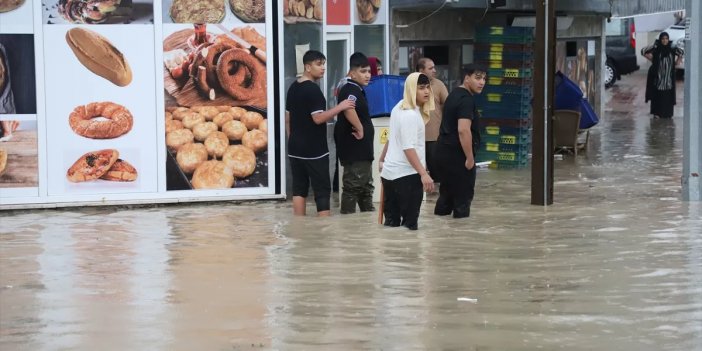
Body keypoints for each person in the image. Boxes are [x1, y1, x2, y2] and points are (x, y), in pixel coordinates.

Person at [285, 50, 356, 217]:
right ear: (308, 67)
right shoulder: (313, 90)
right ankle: (323, 232)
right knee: (322, 190)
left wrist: (292, 140)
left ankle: (300, 226)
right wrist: (341, 106)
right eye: (319, 64)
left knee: (299, 189)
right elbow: (317, 118)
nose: (323, 68)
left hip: (295, 149)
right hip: (315, 151)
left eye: (323, 64)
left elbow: (287, 118)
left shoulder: (293, 88)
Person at [379, 73, 435, 230]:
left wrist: (382, 160)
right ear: (411, 89)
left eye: (427, 88)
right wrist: (423, 173)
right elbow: (408, 148)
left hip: (389, 175)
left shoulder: (399, 106)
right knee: (409, 228)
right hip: (406, 177)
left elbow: (392, 137)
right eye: (421, 88)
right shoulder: (410, 115)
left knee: (392, 225)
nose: (426, 92)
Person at [433, 64, 486, 218]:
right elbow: (463, 130)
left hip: (442, 152)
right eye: (477, 78)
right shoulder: (466, 100)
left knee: (446, 196)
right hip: (458, 155)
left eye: (484, 79)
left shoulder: (453, 94)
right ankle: (461, 236)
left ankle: (440, 235)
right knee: (462, 200)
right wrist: (469, 158)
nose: (481, 82)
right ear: (467, 78)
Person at [334, 52, 374, 214]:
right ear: (352, 73)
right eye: (363, 71)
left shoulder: (357, 88)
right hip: (354, 148)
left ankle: (366, 220)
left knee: (365, 186)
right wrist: (360, 127)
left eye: (369, 71)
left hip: (362, 149)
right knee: (353, 186)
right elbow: (349, 107)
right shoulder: (350, 89)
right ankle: (347, 222)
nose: (367, 75)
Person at [416, 58, 448, 180]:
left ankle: (435, 197)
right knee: (418, 172)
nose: (434, 70)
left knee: (437, 173)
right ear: (421, 70)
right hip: (416, 137)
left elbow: (448, 106)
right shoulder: (410, 85)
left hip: (434, 137)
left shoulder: (439, 84)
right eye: (430, 68)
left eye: (434, 67)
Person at [641, 32, 684, 119]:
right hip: (658, 79)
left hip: (668, 80)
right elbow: (643, 51)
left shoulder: (672, 49)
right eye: (663, 39)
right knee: (657, 97)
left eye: (666, 39)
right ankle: (657, 114)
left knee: (667, 98)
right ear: (660, 40)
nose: (665, 41)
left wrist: (677, 61)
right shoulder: (656, 50)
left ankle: (667, 115)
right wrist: (653, 49)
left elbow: (681, 52)